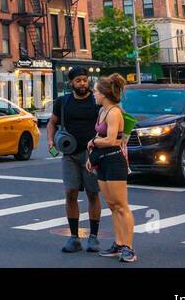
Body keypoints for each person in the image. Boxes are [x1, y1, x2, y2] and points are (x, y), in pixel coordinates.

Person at [44, 66, 103, 253]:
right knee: (70, 193)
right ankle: (74, 237)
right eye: (78, 81)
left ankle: (93, 237)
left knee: (93, 193)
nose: (82, 83)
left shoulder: (96, 102)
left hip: (91, 153)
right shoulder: (63, 102)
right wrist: (51, 141)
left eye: (85, 80)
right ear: (72, 83)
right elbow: (52, 122)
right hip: (69, 154)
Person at [87, 73, 136, 263]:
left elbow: (110, 140)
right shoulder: (101, 112)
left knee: (122, 206)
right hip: (102, 161)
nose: (94, 94)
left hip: (115, 161)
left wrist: (93, 141)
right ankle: (118, 243)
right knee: (112, 206)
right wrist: (91, 155)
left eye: (96, 92)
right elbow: (101, 139)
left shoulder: (114, 112)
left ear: (105, 94)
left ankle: (129, 248)